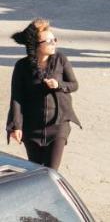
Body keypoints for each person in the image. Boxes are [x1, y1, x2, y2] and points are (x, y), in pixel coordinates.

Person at [7, 19, 80, 169]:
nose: (54, 43)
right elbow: (17, 98)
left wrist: (58, 85)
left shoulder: (61, 60)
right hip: (32, 128)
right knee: (36, 171)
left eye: (55, 39)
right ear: (36, 46)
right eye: (49, 41)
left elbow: (74, 85)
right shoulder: (22, 66)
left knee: (51, 171)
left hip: (58, 124)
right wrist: (17, 126)